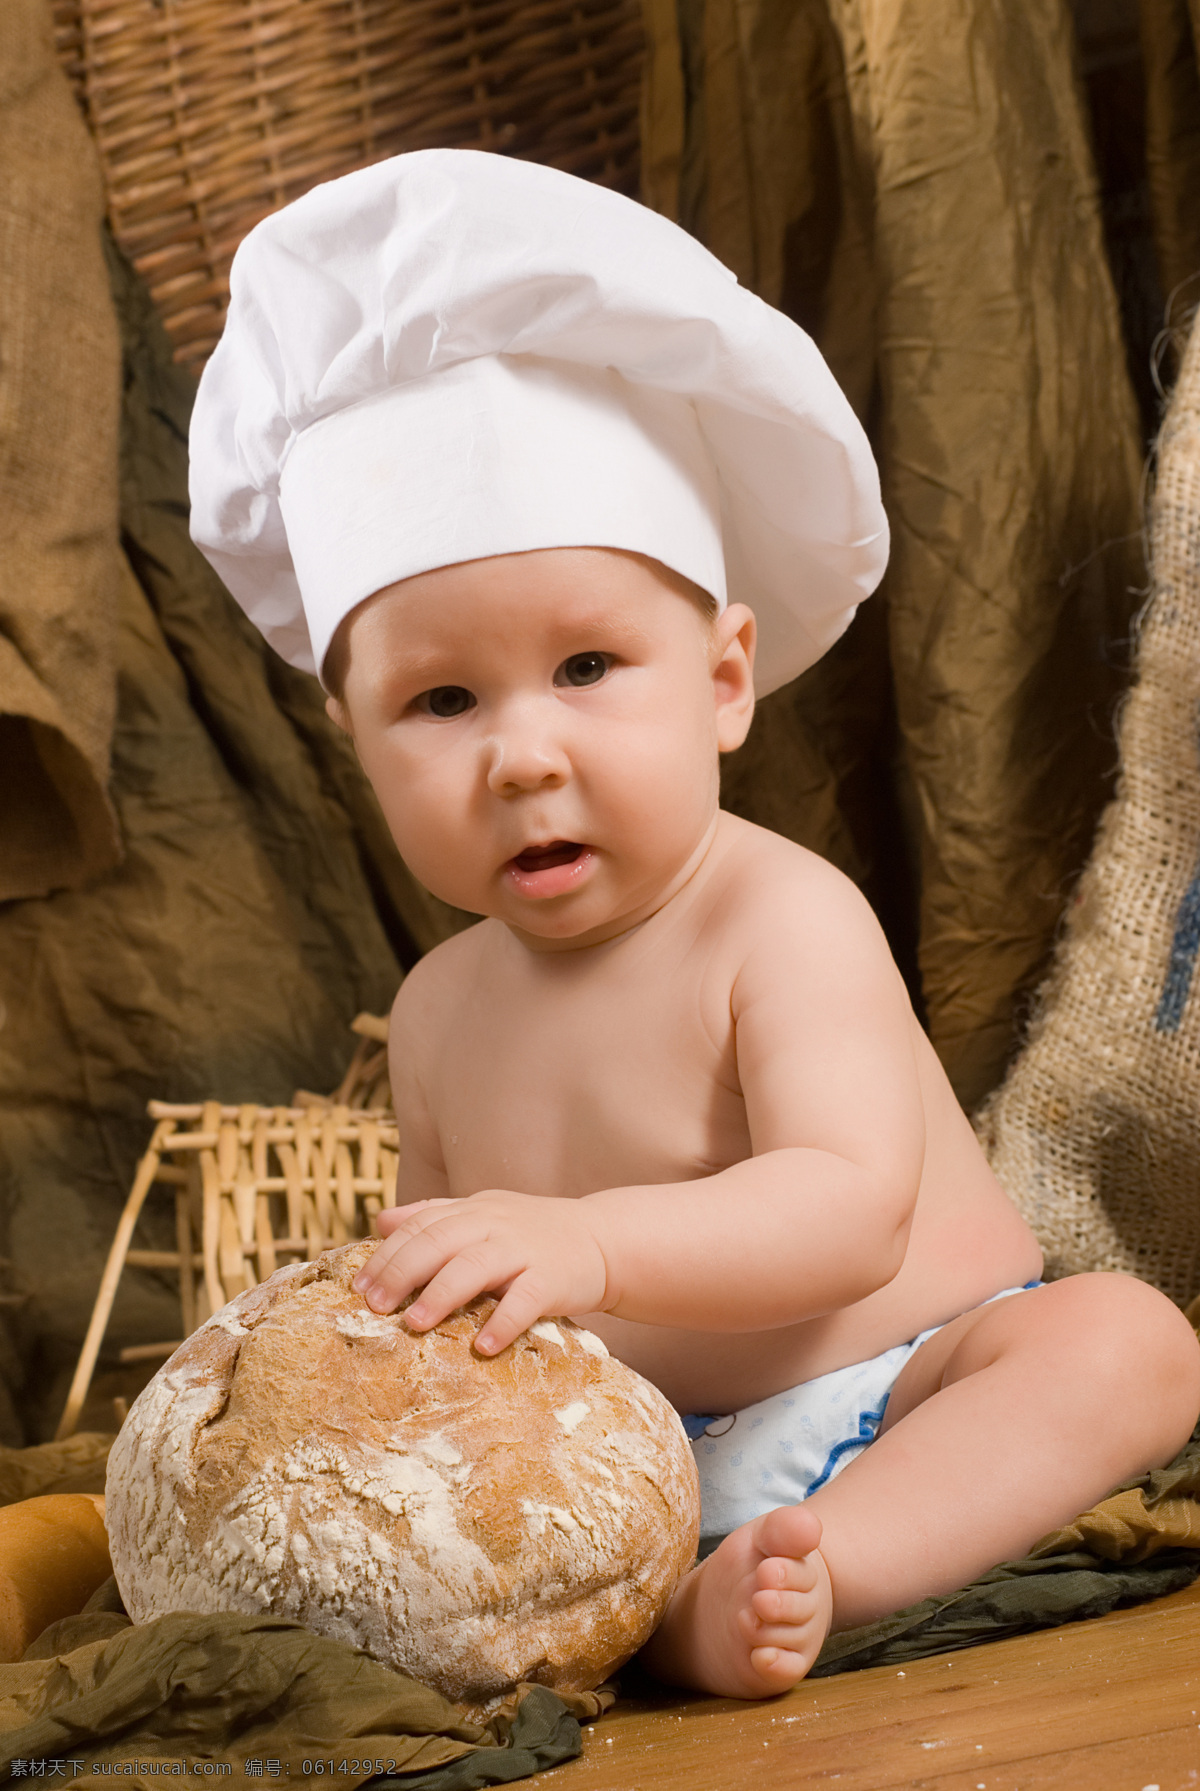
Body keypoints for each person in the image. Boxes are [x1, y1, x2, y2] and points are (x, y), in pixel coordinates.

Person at [189, 149, 1200, 1700]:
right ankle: (672, 1597)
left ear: (725, 680)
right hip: (638, 1463)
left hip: (920, 1374)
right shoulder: (445, 1009)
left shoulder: (776, 914)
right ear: (356, 741)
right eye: (442, 701)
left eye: (588, 668)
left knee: (1126, 1341)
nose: (523, 752)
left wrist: (583, 1240)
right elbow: (450, 1278)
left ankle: (841, 1556)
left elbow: (849, 1210)